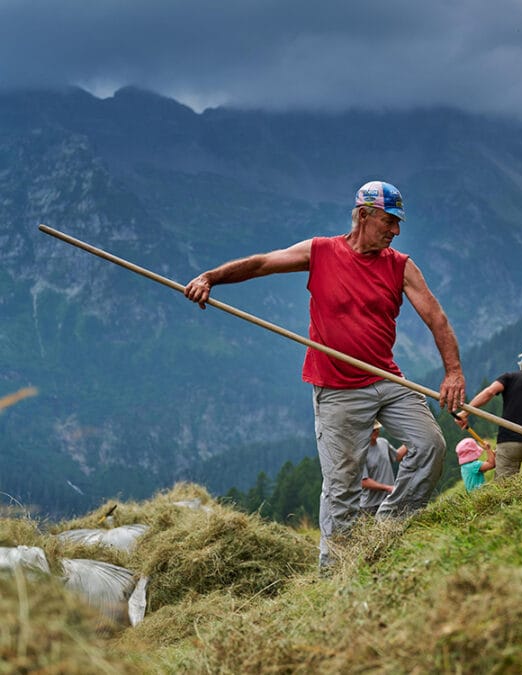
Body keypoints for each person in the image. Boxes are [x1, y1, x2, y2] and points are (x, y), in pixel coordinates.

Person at [184, 180, 466, 568]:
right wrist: (211, 278)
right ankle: (334, 572)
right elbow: (264, 262)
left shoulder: (400, 266)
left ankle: (387, 527)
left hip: (386, 378)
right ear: (364, 216)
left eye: (399, 223)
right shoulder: (321, 252)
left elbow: (437, 318)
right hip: (336, 390)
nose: (396, 231)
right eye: (389, 221)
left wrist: (453, 372)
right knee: (342, 487)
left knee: (431, 445)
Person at [455, 348, 522, 479]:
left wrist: (465, 413)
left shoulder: (509, 378)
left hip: (507, 443)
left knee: (504, 487)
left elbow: (489, 392)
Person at [358, 422, 408, 516]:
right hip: (370, 506)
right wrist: (387, 487)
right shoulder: (361, 452)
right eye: (373, 430)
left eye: (377, 429)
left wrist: (410, 442)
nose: (376, 431)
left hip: (389, 499)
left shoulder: (383, 442)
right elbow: (363, 481)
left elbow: (397, 456)